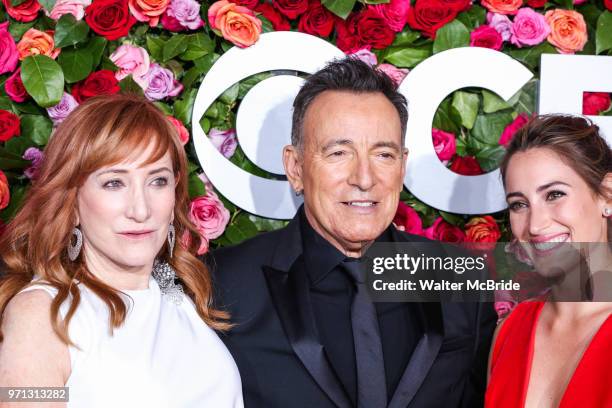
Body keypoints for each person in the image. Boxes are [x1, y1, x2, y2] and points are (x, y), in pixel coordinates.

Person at [209, 58, 497, 408]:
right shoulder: (219, 284)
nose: (364, 178)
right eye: (338, 152)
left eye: (383, 154)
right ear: (295, 168)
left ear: (402, 166)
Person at [0, 94, 244, 408]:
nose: (141, 210)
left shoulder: (173, 292)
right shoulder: (41, 314)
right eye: (114, 183)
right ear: (71, 200)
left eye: (157, 180)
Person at [486, 115, 612, 408]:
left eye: (554, 194)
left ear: (606, 195)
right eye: (519, 204)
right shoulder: (508, 331)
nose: (536, 225)